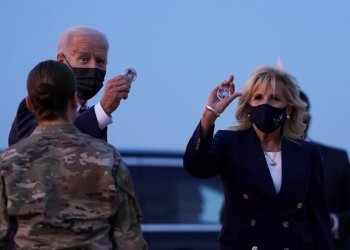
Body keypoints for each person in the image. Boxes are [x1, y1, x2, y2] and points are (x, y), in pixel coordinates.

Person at [0, 60, 147, 249]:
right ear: (73, 101)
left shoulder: (8, 162)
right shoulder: (107, 157)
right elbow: (128, 239)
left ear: (29, 104)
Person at [183, 65, 333, 249]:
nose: (265, 105)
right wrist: (209, 115)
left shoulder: (307, 152)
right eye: (258, 97)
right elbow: (196, 167)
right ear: (248, 106)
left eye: (275, 98)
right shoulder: (230, 143)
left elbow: (318, 217)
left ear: (288, 110)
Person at [8, 25, 132, 145]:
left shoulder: (89, 116)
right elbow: (43, 149)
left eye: (100, 61)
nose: (93, 67)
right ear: (61, 61)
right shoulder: (39, 103)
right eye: (84, 59)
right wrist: (102, 109)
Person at [300, 90, 350, 250]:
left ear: (308, 118)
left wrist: (333, 221)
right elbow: (230, 216)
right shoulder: (260, 159)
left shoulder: (337, 159)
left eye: (296, 110)